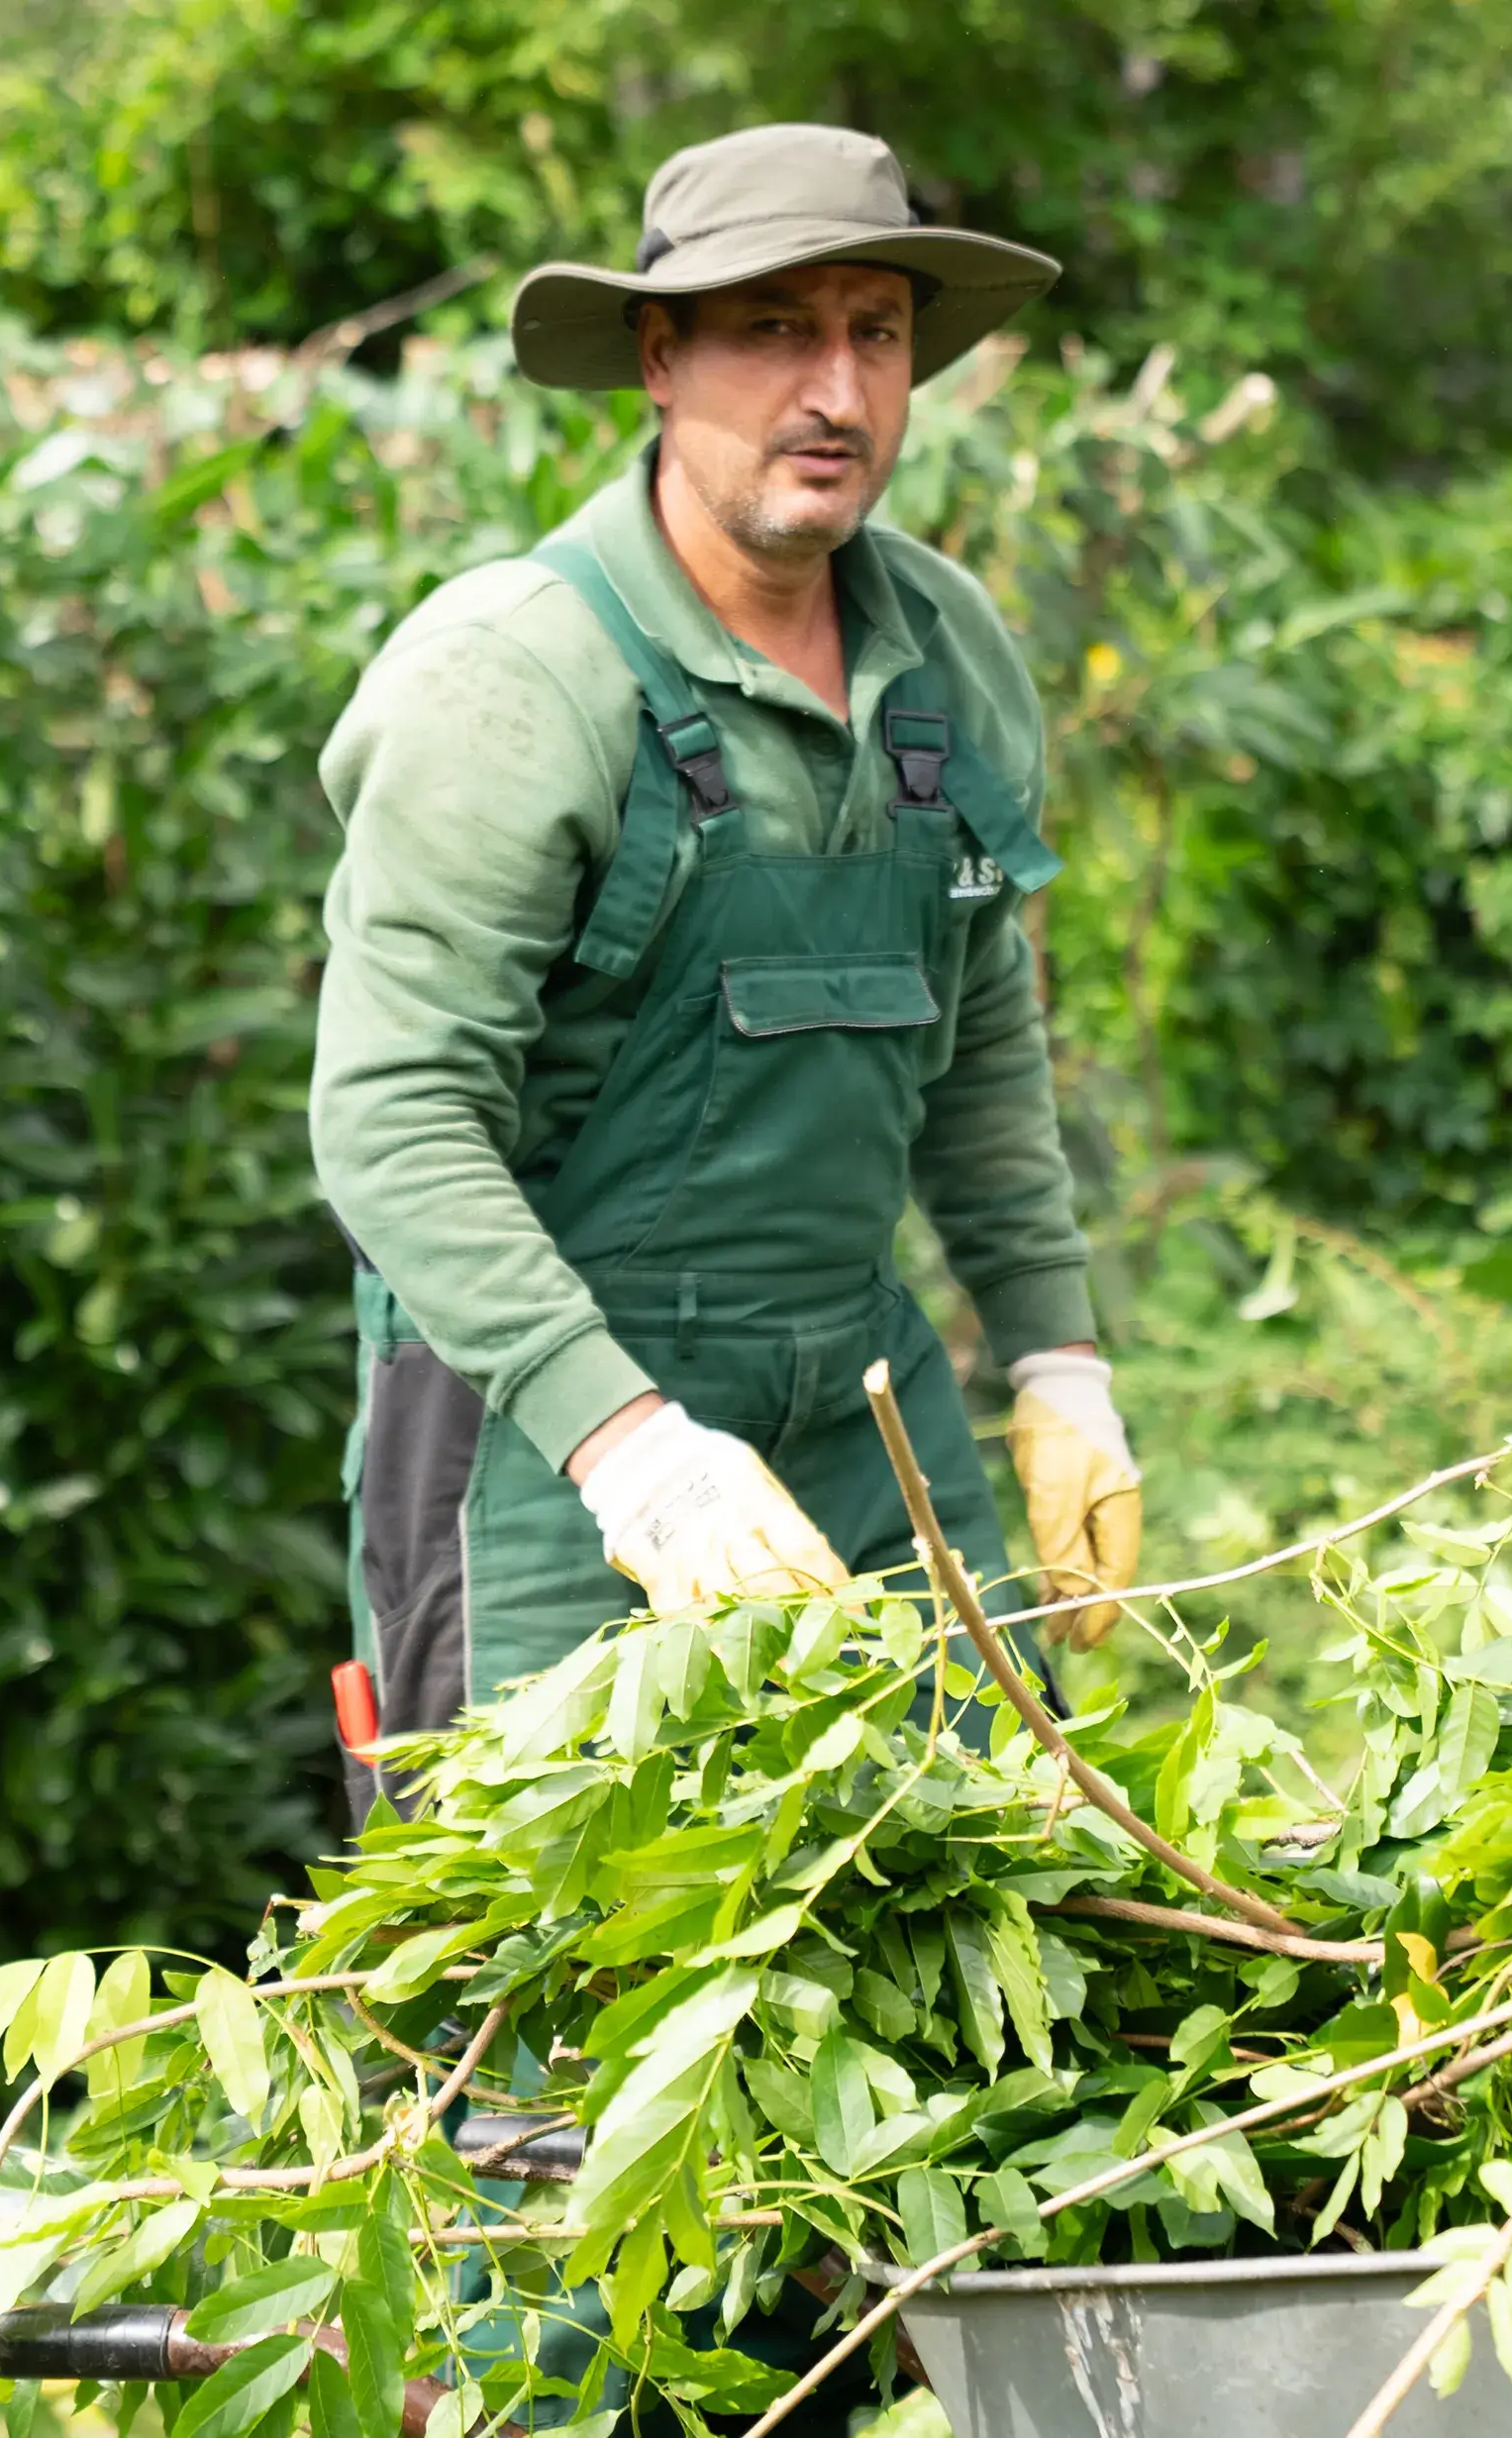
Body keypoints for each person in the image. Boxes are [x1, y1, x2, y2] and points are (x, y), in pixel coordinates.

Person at [311, 123, 1142, 1797]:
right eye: (773, 328)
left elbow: (977, 1039)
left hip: (858, 1398)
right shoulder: (515, 680)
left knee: (980, 1916)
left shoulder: (946, 655)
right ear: (657, 353)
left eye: (876, 332)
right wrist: (640, 1462)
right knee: (563, 1999)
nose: (833, 388)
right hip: (541, 1440)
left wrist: (1058, 1361)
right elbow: (392, 1119)